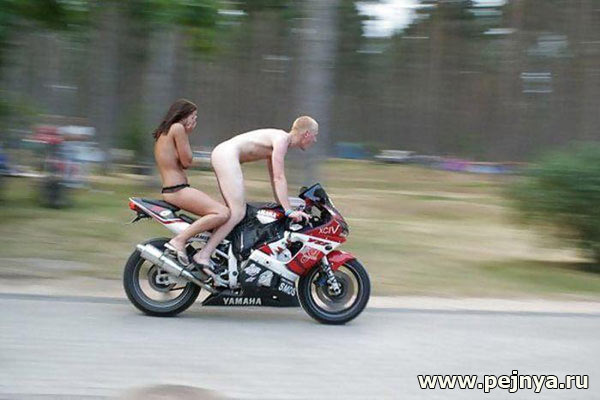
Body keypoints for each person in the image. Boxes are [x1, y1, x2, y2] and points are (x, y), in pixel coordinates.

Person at [190, 116, 318, 271]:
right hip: (227, 155)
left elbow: (274, 178)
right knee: (238, 212)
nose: (315, 140)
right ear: (306, 134)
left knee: (234, 212)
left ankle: (221, 254)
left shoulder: (279, 141)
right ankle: (203, 255)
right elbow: (279, 178)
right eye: (314, 135)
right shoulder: (282, 140)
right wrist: (289, 211)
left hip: (225, 154)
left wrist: (284, 207)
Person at [153, 99, 230, 276]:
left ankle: (211, 255)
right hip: (177, 189)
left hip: (174, 188)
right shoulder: (178, 128)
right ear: (184, 115)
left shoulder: (164, 133)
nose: (195, 120)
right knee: (222, 213)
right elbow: (187, 161)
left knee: (220, 209)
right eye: (193, 116)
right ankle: (180, 241)